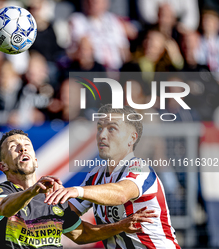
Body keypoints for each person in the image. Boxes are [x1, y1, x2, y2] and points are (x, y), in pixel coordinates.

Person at [0, 129, 158, 249]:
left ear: (36, 161)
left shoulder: (53, 197)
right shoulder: (1, 192)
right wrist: (32, 191)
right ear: (3, 166)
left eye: (27, 144)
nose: (22, 147)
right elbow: (3, 208)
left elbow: (82, 234)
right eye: (13, 146)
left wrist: (120, 226)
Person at [45, 105, 181, 248]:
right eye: (99, 128)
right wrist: (55, 201)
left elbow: (121, 194)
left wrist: (76, 190)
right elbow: (79, 234)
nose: (102, 135)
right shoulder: (95, 175)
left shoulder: (140, 168)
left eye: (111, 129)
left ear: (132, 138)